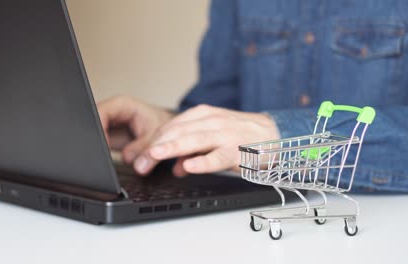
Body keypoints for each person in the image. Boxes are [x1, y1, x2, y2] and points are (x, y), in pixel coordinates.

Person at [98, 0, 408, 193]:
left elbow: (258, 131)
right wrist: (166, 130)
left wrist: (280, 137)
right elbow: (220, 106)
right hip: (251, 227)